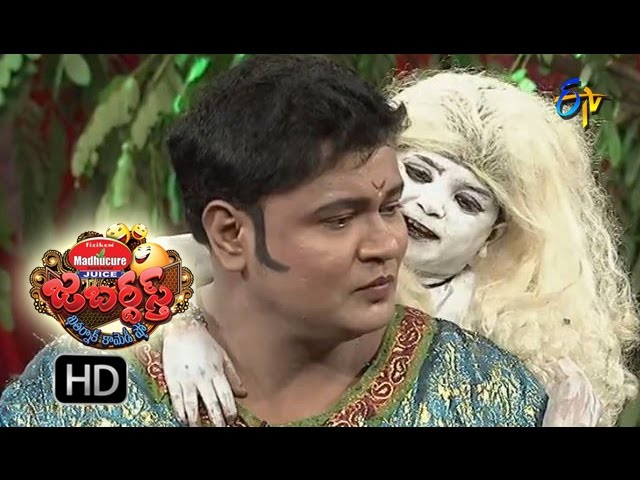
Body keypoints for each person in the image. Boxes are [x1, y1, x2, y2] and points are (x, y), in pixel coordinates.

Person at [0, 55, 547, 427]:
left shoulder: (485, 392)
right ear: (229, 233)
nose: (387, 243)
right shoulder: (82, 395)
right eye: (339, 220)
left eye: (388, 207)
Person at [159, 68, 640, 427]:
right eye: (420, 174)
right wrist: (181, 328)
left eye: (467, 202)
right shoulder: (264, 241)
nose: (430, 205)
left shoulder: (515, 351)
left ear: (492, 237)